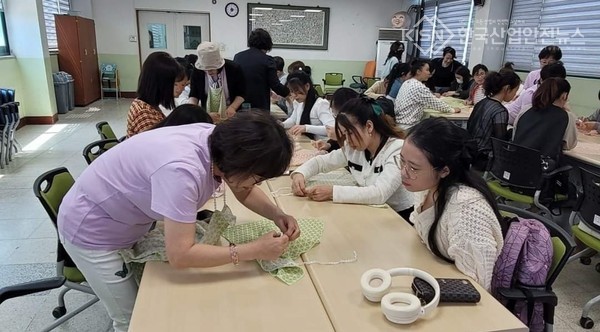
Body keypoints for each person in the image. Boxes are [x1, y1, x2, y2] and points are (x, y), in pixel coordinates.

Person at [57, 111, 300, 332]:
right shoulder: (181, 171)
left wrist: (277, 214)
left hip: (127, 220)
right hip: (93, 232)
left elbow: (242, 188)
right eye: (256, 178)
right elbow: (181, 255)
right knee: (135, 319)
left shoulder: (215, 142)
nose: (254, 185)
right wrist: (253, 250)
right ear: (240, 163)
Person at [398, 117, 504, 291]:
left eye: (413, 168)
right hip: (432, 278)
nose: (403, 172)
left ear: (444, 171)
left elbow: (477, 287)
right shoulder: (427, 188)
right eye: (402, 161)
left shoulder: (466, 209)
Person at [291, 97, 414, 220]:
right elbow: (322, 162)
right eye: (344, 134)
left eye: (350, 133)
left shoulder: (397, 150)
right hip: (369, 210)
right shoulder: (355, 148)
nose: (348, 141)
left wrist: (332, 192)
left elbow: (379, 193)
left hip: (398, 217)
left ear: (369, 126)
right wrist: (300, 174)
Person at [513, 77, 578, 163]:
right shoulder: (566, 116)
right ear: (564, 96)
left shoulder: (526, 109)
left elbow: (515, 135)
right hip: (542, 168)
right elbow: (570, 144)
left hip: (514, 163)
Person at [467, 70, 521, 171]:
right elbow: (500, 142)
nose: (515, 94)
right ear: (507, 88)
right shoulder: (500, 111)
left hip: (470, 151)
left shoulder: (481, 103)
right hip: (485, 158)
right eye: (515, 90)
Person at [127, 52, 184, 137]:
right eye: (174, 83)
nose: (179, 88)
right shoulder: (144, 114)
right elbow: (157, 145)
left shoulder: (148, 105)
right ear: (161, 84)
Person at [189, 42, 246, 123]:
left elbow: (242, 93)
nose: (209, 72)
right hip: (208, 114)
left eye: (212, 69)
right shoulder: (197, 71)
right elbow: (194, 95)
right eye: (205, 69)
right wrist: (195, 111)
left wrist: (233, 107)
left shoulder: (233, 69)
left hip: (230, 113)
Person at [394, 60, 460, 129]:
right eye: (427, 70)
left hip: (400, 123)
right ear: (418, 71)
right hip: (409, 126)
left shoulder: (407, 82)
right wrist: (452, 110)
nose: (429, 73)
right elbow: (436, 103)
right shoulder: (418, 86)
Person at [234, 28, 289, 111]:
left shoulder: (238, 57)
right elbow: (275, 85)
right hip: (259, 105)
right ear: (267, 44)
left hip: (239, 104)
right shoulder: (268, 60)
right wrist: (288, 93)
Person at [282, 71, 335, 140]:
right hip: (305, 140)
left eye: (297, 91)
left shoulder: (320, 104)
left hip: (320, 144)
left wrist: (306, 128)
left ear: (307, 86)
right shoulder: (298, 102)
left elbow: (332, 128)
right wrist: (281, 125)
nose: (294, 95)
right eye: (291, 91)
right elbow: (293, 120)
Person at [312, 87, 360, 152]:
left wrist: (340, 138)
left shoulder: (360, 127)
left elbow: (354, 153)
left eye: (336, 114)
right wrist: (329, 145)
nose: (336, 119)